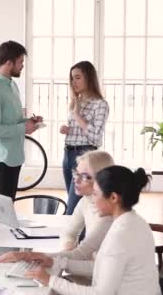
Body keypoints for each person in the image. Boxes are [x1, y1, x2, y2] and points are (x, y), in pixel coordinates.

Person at [0, 165, 161, 295]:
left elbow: (99, 293)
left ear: (113, 197)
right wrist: (56, 262)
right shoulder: (134, 222)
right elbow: (100, 268)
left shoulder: (121, 235)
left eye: (96, 194)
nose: (93, 200)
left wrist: (50, 280)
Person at [0, 40, 42, 200]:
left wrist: (29, 121)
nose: (22, 65)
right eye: (20, 62)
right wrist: (24, 128)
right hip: (2, 160)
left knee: (9, 206)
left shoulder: (12, 85)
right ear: (9, 63)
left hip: (14, 156)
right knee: (4, 212)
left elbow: (13, 120)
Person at [60, 61, 109, 215]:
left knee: (71, 210)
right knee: (78, 207)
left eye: (77, 78)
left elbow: (95, 138)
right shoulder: (76, 102)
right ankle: (80, 239)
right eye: (72, 79)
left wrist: (77, 115)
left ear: (89, 78)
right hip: (68, 155)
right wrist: (68, 129)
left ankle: (72, 239)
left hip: (84, 157)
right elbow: (81, 129)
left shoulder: (100, 105)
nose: (73, 82)